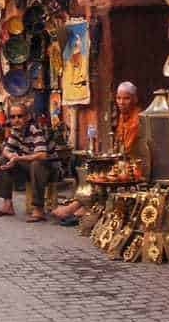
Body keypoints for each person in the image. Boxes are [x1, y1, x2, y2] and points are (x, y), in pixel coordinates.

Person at [54, 82, 148, 226]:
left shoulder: (137, 119)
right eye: (118, 98)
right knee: (91, 169)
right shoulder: (123, 117)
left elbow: (128, 149)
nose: (121, 102)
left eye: (126, 99)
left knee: (101, 173)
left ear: (135, 99)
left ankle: (79, 207)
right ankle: (82, 206)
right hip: (123, 160)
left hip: (134, 164)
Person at [0, 103, 52, 223]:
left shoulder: (35, 129)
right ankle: (7, 205)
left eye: (20, 116)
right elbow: (6, 149)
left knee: (36, 164)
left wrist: (18, 159)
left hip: (49, 169)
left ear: (27, 117)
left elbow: (42, 155)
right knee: (2, 160)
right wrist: (11, 157)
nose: (16, 120)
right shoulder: (16, 131)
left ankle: (38, 209)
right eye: (13, 117)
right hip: (29, 168)